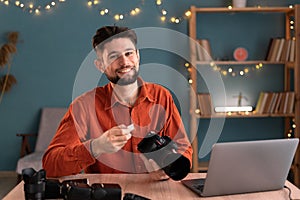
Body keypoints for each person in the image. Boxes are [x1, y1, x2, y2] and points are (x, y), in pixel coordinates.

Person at [42, 26, 193, 180]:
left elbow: (183, 147)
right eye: (114, 56)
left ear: (138, 56)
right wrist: (96, 146)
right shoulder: (84, 106)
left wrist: (165, 171)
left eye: (129, 53)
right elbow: (51, 164)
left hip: (155, 190)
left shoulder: (162, 96)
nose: (125, 62)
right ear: (100, 65)